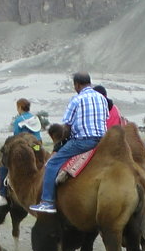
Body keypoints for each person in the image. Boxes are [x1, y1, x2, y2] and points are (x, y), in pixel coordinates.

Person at [30, 72, 107, 214]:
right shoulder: (102, 98)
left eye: (75, 86)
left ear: (77, 85)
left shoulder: (76, 100)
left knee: (52, 163)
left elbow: (67, 126)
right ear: (89, 82)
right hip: (103, 142)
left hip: (83, 142)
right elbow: (105, 118)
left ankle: (47, 202)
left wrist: (61, 139)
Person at [0, 98, 42, 209]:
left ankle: (2, 195)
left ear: (19, 107)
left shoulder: (19, 120)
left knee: (3, 165)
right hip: (38, 147)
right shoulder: (35, 118)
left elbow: (16, 139)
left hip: (25, 149)